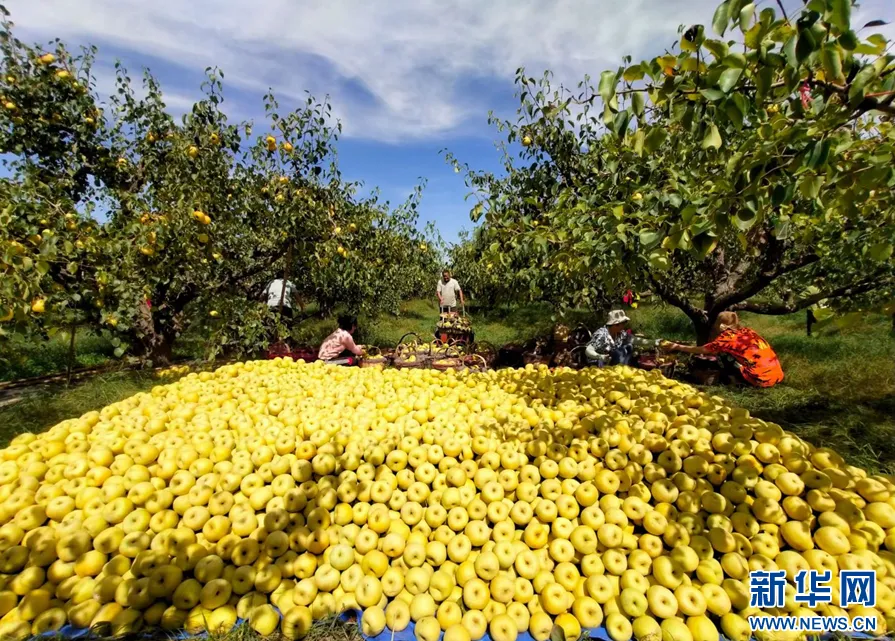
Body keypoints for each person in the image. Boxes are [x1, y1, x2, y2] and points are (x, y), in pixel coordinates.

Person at [662, 311, 784, 388]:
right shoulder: (748, 332)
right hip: (776, 375)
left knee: (722, 355)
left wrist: (677, 346)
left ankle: (735, 381)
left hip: (760, 380)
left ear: (721, 326)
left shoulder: (727, 339)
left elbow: (705, 350)